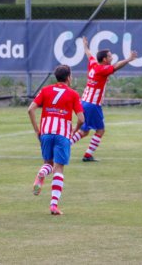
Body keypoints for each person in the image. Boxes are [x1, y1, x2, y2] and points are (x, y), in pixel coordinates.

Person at [28, 65, 84, 215]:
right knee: (58, 168)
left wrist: (37, 130)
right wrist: (75, 131)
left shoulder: (46, 90)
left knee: (48, 163)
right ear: (68, 77)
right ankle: (53, 206)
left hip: (45, 132)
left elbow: (30, 109)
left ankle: (41, 173)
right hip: (62, 134)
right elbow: (81, 119)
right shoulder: (73, 94)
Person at [70, 36, 137, 162]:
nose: (112, 58)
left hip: (84, 102)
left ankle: (66, 147)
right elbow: (116, 66)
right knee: (100, 130)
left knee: (84, 132)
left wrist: (85, 45)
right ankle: (86, 155)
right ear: (105, 59)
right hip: (92, 105)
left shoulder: (94, 64)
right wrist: (128, 59)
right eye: (110, 56)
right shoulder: (102, 69)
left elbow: (89, 54)